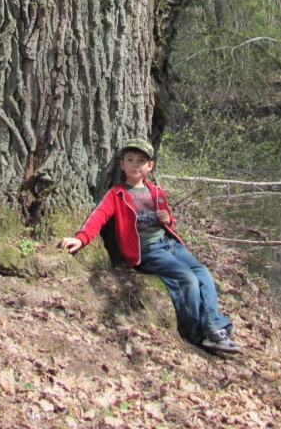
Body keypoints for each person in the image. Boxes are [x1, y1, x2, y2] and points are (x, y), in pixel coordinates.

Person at [59, 138, 241, 353]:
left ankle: (214, 326)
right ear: (122, 165)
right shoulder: (117, 194)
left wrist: (167, 219)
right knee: (187, 279)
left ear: (150, 166)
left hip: (171, 244)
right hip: (147, 251)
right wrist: (81, 238)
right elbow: (98, 216)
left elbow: (168, 221)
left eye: (141, 160)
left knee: (202, 273)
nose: (135, 165)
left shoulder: (156, 192)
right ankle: (198, 333)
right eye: (130, 160)